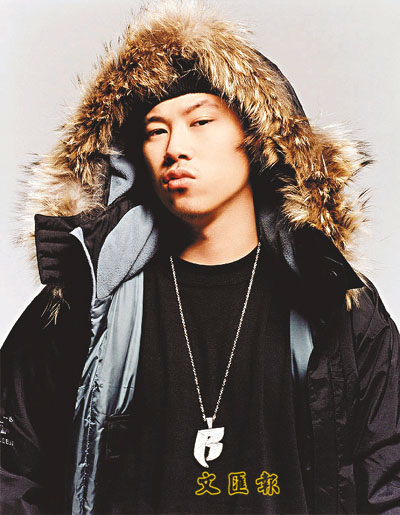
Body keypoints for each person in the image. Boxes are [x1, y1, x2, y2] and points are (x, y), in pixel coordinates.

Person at [1, 2, 399, 514]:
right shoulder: (89, 296)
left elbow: (387, 476)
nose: (175, 148)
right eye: (155, 130)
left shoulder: (338, 303)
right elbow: (14, 470)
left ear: (254, 137)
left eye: (201, 120)